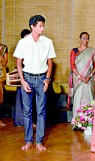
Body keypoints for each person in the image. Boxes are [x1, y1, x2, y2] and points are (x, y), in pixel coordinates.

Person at [13, 15, 56, 151]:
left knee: (41, 111)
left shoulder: (47, 42)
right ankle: (28, 141)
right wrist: (23, 81)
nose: (42, 29)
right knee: (27, 112)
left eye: (43, 26)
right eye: (40, 26)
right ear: (32, 26)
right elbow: (18, 63)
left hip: (41, 79)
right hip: (27, 78)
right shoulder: (23, 43)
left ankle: (39, 141)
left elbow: (50, 63)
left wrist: (47, 80)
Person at [68, 32, 95, 118]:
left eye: (87, 38)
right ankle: (77, 120)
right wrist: (79, 76)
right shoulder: (74, 51)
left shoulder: (93, 51)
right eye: (83, 38)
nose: (85, 40)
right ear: (80, 39)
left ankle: (89, 119)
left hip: (89, 79)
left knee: (89, 98)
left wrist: (89, 76)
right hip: (78, 79)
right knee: (78, 98)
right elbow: (72, 65)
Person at [13, 29, 32, 127]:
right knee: (20, 98)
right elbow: (18, 63)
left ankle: (30, 122)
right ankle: (20, 121)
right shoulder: (20, 48)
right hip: (22, 76)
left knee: (30, 100)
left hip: (31, 75)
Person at [0, 42, 8, 127]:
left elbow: (5, 62)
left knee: (0, 97)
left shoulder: (3, 47)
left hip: (0, 75)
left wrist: (0, 56)